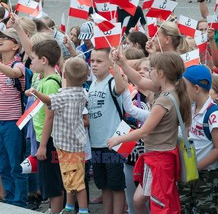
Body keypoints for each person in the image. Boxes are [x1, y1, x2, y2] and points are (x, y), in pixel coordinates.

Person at [108, 51, 191, 213]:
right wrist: (123, 63)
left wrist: (118, 140)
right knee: (140, 201)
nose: (149, 71)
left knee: (160, 204)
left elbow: (144, 131)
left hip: (160, 160)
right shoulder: (169, 90)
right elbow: (138, 80)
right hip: (157, 157)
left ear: (160, 73)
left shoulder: (164, 100)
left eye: (151, 69)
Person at [27, 58, 90, 214]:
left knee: (77, 182)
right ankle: (69, 207)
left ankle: (83, 210)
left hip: (66, 145)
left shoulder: (64, 96)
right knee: (70, 177)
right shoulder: (82, 92)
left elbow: (49, 100)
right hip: (76, 143)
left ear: (65, 77)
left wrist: (35, 92)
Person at [178, 65, 218, 213]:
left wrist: (196, 167)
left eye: (185, 86)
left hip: (206, 176)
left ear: (196, 88)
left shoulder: (213, 114)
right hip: (189, 171)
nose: (182, 90)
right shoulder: (192, 107)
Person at [87, 48, 127, 214]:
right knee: (103, 185)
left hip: (113, 143)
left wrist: (116, 65)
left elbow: (120, 87)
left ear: (109, 63)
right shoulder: (93, 83)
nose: (94, 64)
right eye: (92, 61)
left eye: (99, 61)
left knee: (116, 185)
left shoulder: (111, 82)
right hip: (96, 143)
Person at [0, 28, 28, 208]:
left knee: (15, 164)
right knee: (2, 165)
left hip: (13, 122)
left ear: (16, 45)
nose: (0, 39)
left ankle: (19, 202)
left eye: (5, 38)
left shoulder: (17, 65)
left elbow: (14, 75)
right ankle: (9, 198)